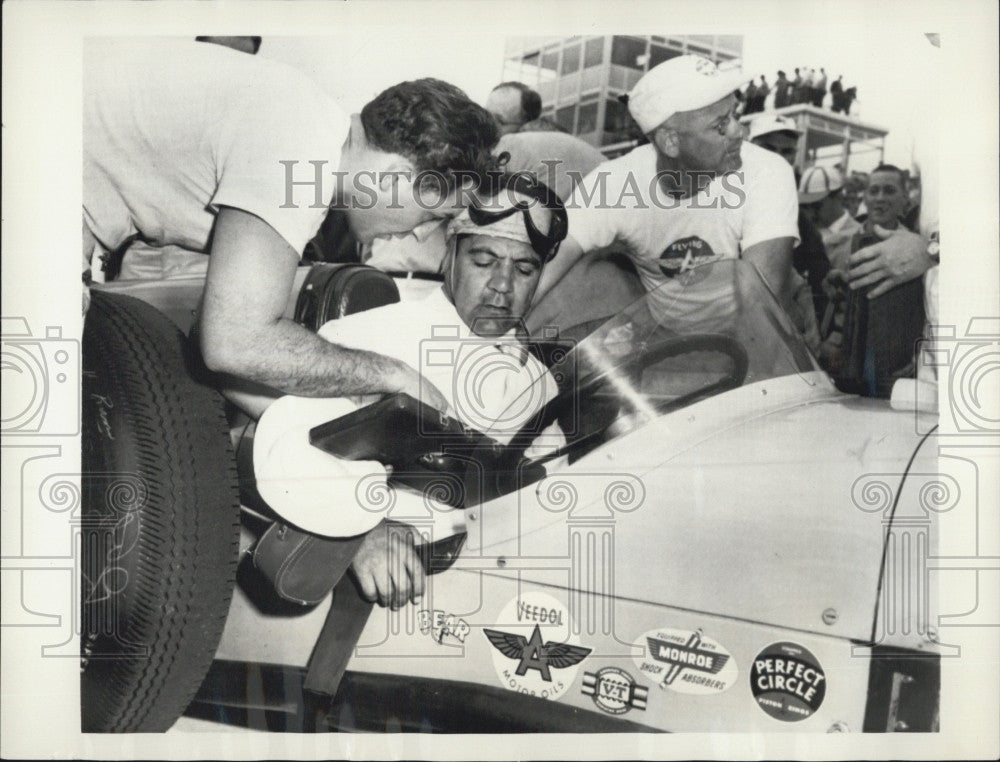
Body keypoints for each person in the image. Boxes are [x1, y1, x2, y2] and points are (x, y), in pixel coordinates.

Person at [83, 38, 499, 415]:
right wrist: (396, 376)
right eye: (433, 217)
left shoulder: (306, 128)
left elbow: (223, 346)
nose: (422, 235)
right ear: (393, 178)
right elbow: (233, 342)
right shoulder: (304, 152)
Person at [252, 174, 568, 608]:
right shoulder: (364, 340)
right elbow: (287, 448)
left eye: (525, 268)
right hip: (366, 604)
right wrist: (362, 531)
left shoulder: (539, 384)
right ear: (450, 256)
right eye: (484, 260)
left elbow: (547, 509)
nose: (502, 285)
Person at [530, 54, 798, 333]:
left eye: (735, 115)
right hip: (668, 342)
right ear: (671, 142)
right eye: (720, 124)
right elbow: (540, 272)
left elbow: (765, 298)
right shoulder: (616, 182)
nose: (738, 131)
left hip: (757, 340)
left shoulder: (767, 170)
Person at [835, 165, 926, 396]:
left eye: (889, 191)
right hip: (852, 363)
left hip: (897, 365)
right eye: (873, 191)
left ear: (905, 198)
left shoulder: (918, 249)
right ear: (864, 197)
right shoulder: (844, 243)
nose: (880, 198)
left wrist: (922, 354)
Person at [749, 114, 831, 341]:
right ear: (748, 147)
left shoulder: (801, 222)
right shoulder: (723, 197)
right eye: (768, 148)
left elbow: (818, 283)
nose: (779, 158)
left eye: (787, 151)